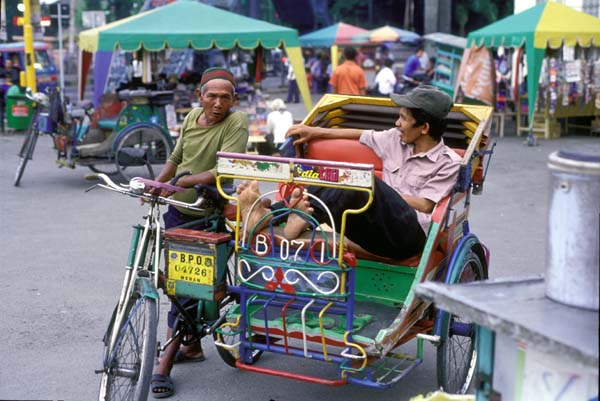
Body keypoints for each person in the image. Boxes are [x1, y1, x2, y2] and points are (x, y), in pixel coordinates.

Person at [238, 85, 460, 261]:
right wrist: (314, 131)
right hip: (373, 229)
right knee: (338, 175)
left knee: (361, 180)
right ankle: (272, 214)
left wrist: (376, 193)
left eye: (403, 118)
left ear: (424, 128)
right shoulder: (394, 138)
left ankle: (303, 218)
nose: (397, 123)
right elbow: (361, 134)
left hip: (407, 237)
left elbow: (425, 205)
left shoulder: (448, 162)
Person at [148, 67, 249, 398]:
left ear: (233, 100)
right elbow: (176, 159)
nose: (218, 103)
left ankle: (165, 362)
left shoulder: (236, 122)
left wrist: (187, 181)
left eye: (225, 97)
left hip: (208, 213)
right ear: (199, 97)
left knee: (186, 284)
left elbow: (228, 166)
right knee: (175, 282)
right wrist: (161, 183)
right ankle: (190, 347)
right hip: (178, 212)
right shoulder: (192, 118)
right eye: (212, 96)